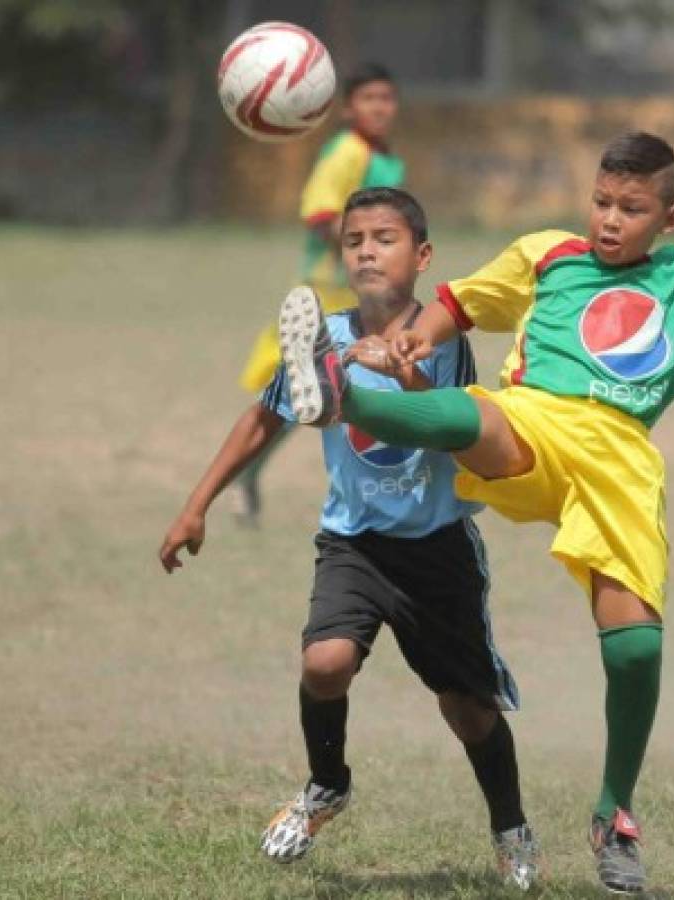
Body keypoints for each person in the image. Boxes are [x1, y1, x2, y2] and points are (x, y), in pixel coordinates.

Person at [279, 133, 674, 894]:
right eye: (602, 203)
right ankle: (341, 397)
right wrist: (410, 343)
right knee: (474, 420)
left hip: (617, 458)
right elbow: (457, 303)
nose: (610, 220)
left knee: (635, 649)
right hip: (536, 420)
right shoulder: (547, 255)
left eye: (631, 209)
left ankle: (613, 816)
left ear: (669, 217)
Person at [159, 187, 539, 890]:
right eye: (355, 239)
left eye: (384, 238)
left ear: (421, 256)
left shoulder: (443, 343)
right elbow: (260, 419)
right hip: (354, 544)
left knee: (468, 711)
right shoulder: (324, 337)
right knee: (324, 663)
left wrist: (404, 373)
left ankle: (510, 826)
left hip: (437, 550)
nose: (366, 249)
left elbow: (454, 421)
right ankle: (326, 786)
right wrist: (196, 504)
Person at [231, 63, 405, 525]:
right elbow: (323, 213)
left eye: (387, 98)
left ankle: (252, 476)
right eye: (369, 99)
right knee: (293, 397)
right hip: (326, 292)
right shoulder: (347, 151)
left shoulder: (384, 157)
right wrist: (363, 266)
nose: (380, 107)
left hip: (362, 295)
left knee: (335, 396)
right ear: (349, 108)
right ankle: (244, 474)